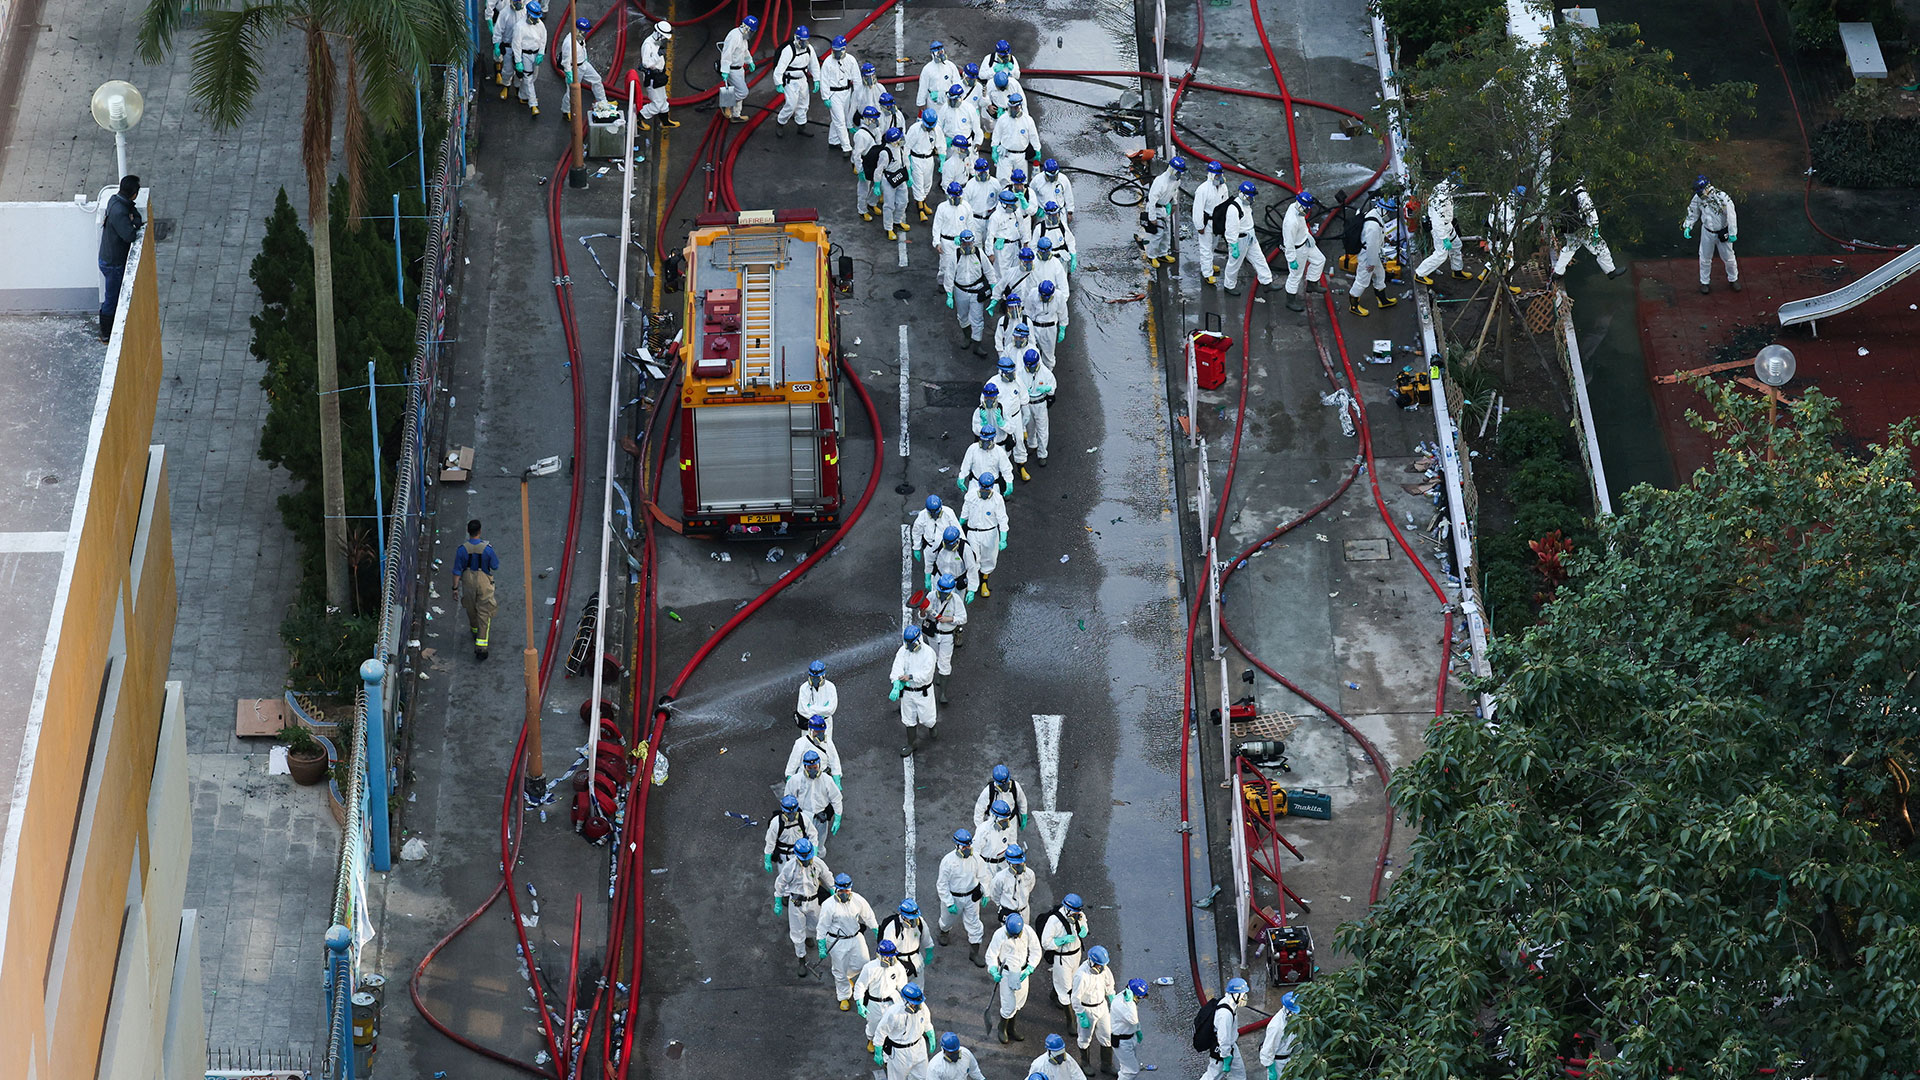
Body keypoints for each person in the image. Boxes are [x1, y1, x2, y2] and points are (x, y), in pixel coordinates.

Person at [774, 838, 834, 975]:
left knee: (819, 925)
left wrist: (833, 892)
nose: (806, 861)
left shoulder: (817, 863)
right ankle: (801, 959)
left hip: (813, 901)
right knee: (797, 932)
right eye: (804, 859)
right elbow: (780, 883)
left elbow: (828, 877)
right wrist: (778, 900)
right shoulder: (790, 867)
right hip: (796, 904)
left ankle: (812, 938)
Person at [818, 873, 879, 1009]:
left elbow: (868, 916)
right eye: (841, 890)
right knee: (839, 970)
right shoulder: (828, 905)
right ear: (836, 889)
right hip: (837, 941)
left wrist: (876, 930)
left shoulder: (858, 900)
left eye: (846, 890)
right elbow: (822, 926)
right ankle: (844, 996)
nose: (844, 893)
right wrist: (821, 944)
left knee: (864, 964)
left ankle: (849, 980)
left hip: (856, 937)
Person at [97, 175, 143, 342]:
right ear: (134, 194)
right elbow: (130, 235)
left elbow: (135, 216)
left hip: (108, 258)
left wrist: (134, 219)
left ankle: (106, 331)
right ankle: (106, 333)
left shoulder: (115, 201)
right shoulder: (120, 211)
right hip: (113, 263)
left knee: (113, 296)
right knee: (112, 298)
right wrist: (134, 221)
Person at [985, 912, 1043, 1043]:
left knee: (1019, 1001)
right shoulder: (1000, 934)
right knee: (1008, 1004)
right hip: (1006, 973)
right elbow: (991, 954)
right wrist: (994, 970)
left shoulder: (1028, 931)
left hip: (1022, 972)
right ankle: (1002, 1027)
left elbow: (1036, 950)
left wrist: (1030, 967)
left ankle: (1011, 1028)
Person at [937, 828, 991, 964]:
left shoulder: (976, 859)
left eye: (969, 845)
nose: (967, 849)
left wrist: (985, 892)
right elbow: (942, 884)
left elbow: (984, 876)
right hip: (954, 897)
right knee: (947, 920)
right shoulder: (948, 862)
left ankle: (974, 953)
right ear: (957, 846)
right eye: (964, 846)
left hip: (972, 897)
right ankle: (944, 931)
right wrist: (949, 903)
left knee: (974, 924)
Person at [1552, 181, 1622, 281]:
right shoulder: (1582, 194)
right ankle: (1611, 271)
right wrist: (1595, 230)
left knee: (1569, 248)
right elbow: (1591, 213)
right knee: (1601, 248)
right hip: (1583, 229)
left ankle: (1558, 272)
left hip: (1569, 228)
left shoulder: (1565, 192)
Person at [915, 574, 968, 702]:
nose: (943, 595)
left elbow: (963, 618)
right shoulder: (931, 596)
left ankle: (943, 693)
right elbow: (922, 616)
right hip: (933, 634)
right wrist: (922, 612)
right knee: (934, 657)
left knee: (944, 662)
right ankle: (937, 677)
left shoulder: (956, 600)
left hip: (947, 636)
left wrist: (949, 619)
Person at [1683, 174, 1739, 294]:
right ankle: (1705, 282)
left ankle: (1733, 279)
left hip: (1722, 231)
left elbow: (1731, 214)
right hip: (1707, 231)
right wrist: (1688, 225)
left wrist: (1732, 232)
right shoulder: (1698, 198)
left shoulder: (1721, 197)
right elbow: (1693, 211)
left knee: (1729, 258)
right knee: (1704, 257)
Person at [452, 519, 499, 659]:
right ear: (480, 531)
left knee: (471, 607)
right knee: (484, 611)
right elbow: (495, 566)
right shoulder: (488, 549)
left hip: (467, 581)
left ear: (468, 531)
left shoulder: (461, 550)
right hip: (484, 581)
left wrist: (454, 588)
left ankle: (474, 629)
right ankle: (481, 647)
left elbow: (456, 572)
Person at [1412, 168, 1469, 285]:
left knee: (1457, 245)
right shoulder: (1441, 199)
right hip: (1440, 229)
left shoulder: (1441, 188)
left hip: (1447, 225)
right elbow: (1437, 223)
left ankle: (1457, 270)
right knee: (1441, 255)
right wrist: (1444, 239)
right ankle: (1420, 274)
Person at [1347, 195, 1401, 317]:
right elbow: (1371, 245)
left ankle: (1382, 301)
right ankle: (1353, 306)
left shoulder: (1375, 214)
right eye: (1388, 212)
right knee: (1362, 280)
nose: (1389, 215)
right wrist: (1371, 263)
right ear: (1382, 209)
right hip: (1368, 256)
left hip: (1373, 255)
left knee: (1380, 275)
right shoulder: (1373, 226)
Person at [959, 470, 1010, 597]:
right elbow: (964, 514)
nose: (985, 492)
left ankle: (984, 582)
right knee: (972, 560)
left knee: (989, 560)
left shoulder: (997, 499)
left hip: (990, 533)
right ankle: (972, 585)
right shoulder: (970, 496)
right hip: (973, 533)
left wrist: (1003, 538)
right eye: (983, 489)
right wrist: (959, 528)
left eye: (988, 489)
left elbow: (1002, 519)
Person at [1038, 893, 1089, 1018]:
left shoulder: (1080, 915)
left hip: (1076, 954)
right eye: (1074, 912)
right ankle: (1071, 1019)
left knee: (1070, 980)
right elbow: (1045, 942)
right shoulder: (1054, 921)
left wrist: (1084, 930)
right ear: (1066, 908)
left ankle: (1055, 993)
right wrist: (1061, 940)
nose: (1077, 915)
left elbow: (1084, 925)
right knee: (1067, 989)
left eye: (1078, 911)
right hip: (1062, 957)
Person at [782, 751, 843, 855]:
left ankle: (818, 861)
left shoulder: (826, 780)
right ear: (805, 766)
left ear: (819, 765)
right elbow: (788, 799)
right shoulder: (795, 780)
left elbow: (836, 799)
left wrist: (838, 817)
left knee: (820, 840)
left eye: (815, 767)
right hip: (803, 816)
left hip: (821, 817)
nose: (813, 770)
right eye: (810, 768)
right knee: (802, 841)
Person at [890, 625, 939, 752]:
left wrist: (910, 677)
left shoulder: (928, 653)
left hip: (923, 692)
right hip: (907, 692)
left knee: (927, 718)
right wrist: (896, 683)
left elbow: (927, 675)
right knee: (908, 719)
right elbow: (897, 667)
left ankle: (932, 726)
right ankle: (912, 744)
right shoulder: (903, 651)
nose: (909, 648)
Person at [1220, 182, 1273, 298]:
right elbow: (1231, 229)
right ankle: (1229, 286)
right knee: (1234, 264)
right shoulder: (1234, 209)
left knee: (1259, 259)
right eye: (1250, 196)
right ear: (1243, 195)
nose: (1252, 198)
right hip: (1239, 240)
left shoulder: (1246, 205)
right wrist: (1233, 246)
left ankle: (1266, 282)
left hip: (1250, 237)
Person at [856, 941, 911, 1049]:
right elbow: (861, 985)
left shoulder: (898, 967)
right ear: (880, 955)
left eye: (892, 957)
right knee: (873, 1024)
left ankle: (890, 1042)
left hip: (892, 1001)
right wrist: (859, 1002)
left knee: (893, 1023)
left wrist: (908, 999)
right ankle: (871, 1039)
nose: (890, 960)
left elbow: (903, 985)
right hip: (874, 1003)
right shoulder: (870, 968)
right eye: (887, 957)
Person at [875, 983, 936, 1080]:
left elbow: (926, 1022)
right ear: (906, 1001)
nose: (919, 1006)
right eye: (915, 1004)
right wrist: (878, 1050)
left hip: (919, 1047)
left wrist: (930, 1034)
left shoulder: (922, 1006)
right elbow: (881, 1032)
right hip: (900, 1053)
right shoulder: (893, 1013)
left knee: (923, 1076)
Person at [770, 26, 822, 136]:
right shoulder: (788, 50)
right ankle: (780, 122)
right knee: (791, 104)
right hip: (790, 81)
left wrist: (817, 79)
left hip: (803, 80)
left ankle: (801, 125)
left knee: (803, 104)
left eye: (805, 40)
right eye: (801, 41)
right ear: (796, 38)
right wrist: (778, 83)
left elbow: (814, 65)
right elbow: (780, 68)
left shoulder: (809, 49)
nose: (803, 43)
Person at [951, 233, 998, 354]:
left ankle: (977, 344)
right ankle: (967, 337)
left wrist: (993, 285)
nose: (967, 246)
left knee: (977, 319)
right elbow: (949, 275)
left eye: (969, 243)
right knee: (962, 316)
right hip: (960, 291)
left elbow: (989, 270)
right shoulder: (955, 255)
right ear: (960, 243)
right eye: (965, 243)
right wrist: (949, 294)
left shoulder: (979, 253)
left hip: (977, 290)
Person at [1070, 946, 1117, 1066]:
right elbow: (1075, 998)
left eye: (1102, 965)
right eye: (1098, 965)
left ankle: (1106, 1065)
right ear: (1091, 961)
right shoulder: (1081, 976)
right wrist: (1081, 1015)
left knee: (1107, 1036)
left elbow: (1109, 986)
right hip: (1087, 1009)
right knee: (1084, 1038)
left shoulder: (1105, 969)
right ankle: (1085, 1063)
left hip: (1102, 1007)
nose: (1100, 968)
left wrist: (1113, 999)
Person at [1195, 978, 1250, 1080]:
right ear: (1234, 994)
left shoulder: (1231, 1004)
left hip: (1231, 1046)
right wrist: (1225, 1056)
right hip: (1222, 1049)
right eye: (1242, 994)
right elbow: (1223, 1038)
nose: (1245, 997)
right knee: (1212, 1076)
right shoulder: (1225, 1014)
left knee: (1239, 1075)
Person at [558, 18, 607, 123]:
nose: (585, 34)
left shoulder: (579, 38)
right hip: (575, 68)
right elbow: (565, 61)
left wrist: (585, 58)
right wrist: (569, 73)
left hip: (583, 64)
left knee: (597, 79)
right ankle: (566, 110)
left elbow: (583, 48)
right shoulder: (569, 43)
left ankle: (603, 102)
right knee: (571, 91)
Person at [1482, 184, 1527, 294]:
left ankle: (1483, 274)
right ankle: (1507, 286)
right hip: (1502, 235)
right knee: (1508, 259)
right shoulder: (1509, 208)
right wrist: (1522, 227)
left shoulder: (1501, 200)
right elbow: (1508, 227)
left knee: (1495, 255)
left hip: (1491, 232)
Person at [1141, 155, 1185, 267]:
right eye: (1178, 172)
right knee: (1157, 234)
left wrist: (1174, 203)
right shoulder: (1160, 182)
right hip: (1156, 208)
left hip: (1165, 208)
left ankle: (1162, 253)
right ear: (1172, 169)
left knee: (1166, 233)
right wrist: (1152, 217)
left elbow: (1174, 192)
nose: (1179, 174)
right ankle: (1151, 256)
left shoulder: (1176, 181)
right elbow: (1152, 201)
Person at [508, 1, 549, 116]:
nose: (536, 20)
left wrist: (541, 53)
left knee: (534, 76)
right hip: (525, 55)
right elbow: (516, 45)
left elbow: (543, 38)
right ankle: (533, 104)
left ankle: (522, 95)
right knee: (528, 78)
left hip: (536, 54)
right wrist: (518, 61)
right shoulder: (519, 27)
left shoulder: (540, 24)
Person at [821, 36, 861, 152]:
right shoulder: (828, 62)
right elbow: (824, 80)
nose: (837, 53)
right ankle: (846, 147)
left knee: (840, 118)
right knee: (840, 121)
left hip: (847, 93)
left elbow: (857, 79)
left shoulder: (851, 60)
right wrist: (825, 97)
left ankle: (833, 140)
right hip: (834, 94)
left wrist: (857, 96)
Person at [877, 898, 933, 979]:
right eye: (910, 918)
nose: (913, 921)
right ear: (903, 916)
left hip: (916, 960)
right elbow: (886, 949)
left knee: (918, 986)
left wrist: (929, 951)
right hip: (898, 962)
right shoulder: (892, 928)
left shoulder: (920, 922)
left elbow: (926, 936)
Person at [637, 21, 679, 129]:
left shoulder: (656, 42)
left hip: (658, 76)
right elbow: (646, 63)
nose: (664, 39)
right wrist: (657, 55)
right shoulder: (648, 44)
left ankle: (665, 122)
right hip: (652, 78)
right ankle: (638, 118)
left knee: (663, 99)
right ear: (658, 33)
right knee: (656, 105)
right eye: (663, 36)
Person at [988, 843, 1037, 931]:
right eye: (1017, 864)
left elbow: (1030, 887)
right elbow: (995, 894)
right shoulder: (1000, 878)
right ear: (1009, 863)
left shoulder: (1029, 874)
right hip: (1008, 913)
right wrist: (1003, 905)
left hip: (1024, 912)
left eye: (1021, 863)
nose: (1020, 866)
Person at [993, 94, 1041, 183]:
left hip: (1021, 156)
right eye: (1011, 108)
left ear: (1020, 106)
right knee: (1003, 181)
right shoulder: (1003, 119)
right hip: (1005, 154)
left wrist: (1037, 150)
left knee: (1021, 181)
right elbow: (996, 135)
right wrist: (994, 148)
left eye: (1015, 108)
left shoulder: (1028, 120)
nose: (1013, 110)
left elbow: (1034, 137)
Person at [933, 184, 972, 290]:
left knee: (962, 264)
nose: (956, 199)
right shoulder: (942, 208)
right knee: (945, 265)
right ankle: (942, 283)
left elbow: (970, 225)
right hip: (947, 241)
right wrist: (937, 242)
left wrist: (969, 241)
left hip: (962, 241)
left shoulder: (966, 207)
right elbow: (937, 226)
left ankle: (959, 283)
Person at [719, 14, 757, 122]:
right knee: (743, 92)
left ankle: (736, 115)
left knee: (738, 91)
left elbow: (744, 50)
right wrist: (725, 70)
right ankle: (725, 103)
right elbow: (726, 54)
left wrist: (749, 61)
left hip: (740, 69)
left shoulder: (743, 37)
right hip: (732, 70)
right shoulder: (734, 36)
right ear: (747, 29)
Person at [986, 195, 1033, 281]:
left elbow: (1022, 227)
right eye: (1010, 205)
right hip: (1002, 248)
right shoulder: (996, 216)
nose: (1013, 206)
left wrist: (1025, 242)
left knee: (1015, 271)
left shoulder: (1016, 212)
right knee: (1001, 274)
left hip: (1015, 246)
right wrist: (990, 253)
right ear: (1003, 204)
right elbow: (990, 235)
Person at [763, 794, 815, 871]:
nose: (791, 816)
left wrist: (814, 852)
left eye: (793, 813)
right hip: (784, 857)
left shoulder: (803, 819)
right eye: (788, 813)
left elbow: (813, 835)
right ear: (783, 811)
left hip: (801, 855)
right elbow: (770, 842)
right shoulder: (776, 823)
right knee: (784, 878)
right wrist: (767, 859)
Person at [932, 525, 984, 603]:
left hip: (957, 584)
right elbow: (931, 559)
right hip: (940, 581)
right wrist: (928, 575)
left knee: (956, 606)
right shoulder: (939, 543)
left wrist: (972, 589)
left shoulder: (965, 549)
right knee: (936, 603)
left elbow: (971, 568)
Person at [1021, 350, 1055, 467]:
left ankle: (1042, 454)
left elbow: (1052, 387)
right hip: (1027, 403)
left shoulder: (1045, 373)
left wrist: (1048, 389)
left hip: (1040, 403)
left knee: (1042, 429)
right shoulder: (1021, 373)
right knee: (1029, 427)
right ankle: (1032, 445)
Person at [1111, 978, 1150, 1080]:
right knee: (1131, 1071)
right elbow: (1133, 1020)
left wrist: (1137, 1031)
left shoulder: (1127, 999)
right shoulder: (1122, 1003)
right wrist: (1129, 1003)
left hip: (1130, 1037)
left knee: (1126, 1067)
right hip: (1122, 1041)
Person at [879, 127, 914, 240]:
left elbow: (905, 161)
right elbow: (879, 169)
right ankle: (889, 227)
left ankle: (897, 221)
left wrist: (909, 174)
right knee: (889, 205)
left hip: (900, 176)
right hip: (889, 179)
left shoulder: (900, 148)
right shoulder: (885, 153)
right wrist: (876, 184)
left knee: (903, 201)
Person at [1256, 991, 1299, 1080]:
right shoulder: (1277, 1026)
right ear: (1289, 1012)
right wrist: (1271, 1070)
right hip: (1278, 1064)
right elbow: (1268, 1050)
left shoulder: (1291, 1021)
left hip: (1288, 1059)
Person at [1190, 162, 1230, 258]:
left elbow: (1226, 204)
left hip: (1218, 222)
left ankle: (1209, 266)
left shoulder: (1223, 187)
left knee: (1213, 246)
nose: (1219, 177)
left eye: (1220, 175)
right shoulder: (1202, 190)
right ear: (1211, 175)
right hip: (1206, 222)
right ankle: (1207, 272)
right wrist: (1199, 226)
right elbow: (1197, 209)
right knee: (1205, 249)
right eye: (1217, 175)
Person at [786, 714, 843, 780]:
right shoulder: (801, 742)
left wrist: (836, 776)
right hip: (804, 776)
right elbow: (793, 761)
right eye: (818, 731)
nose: (821, 734)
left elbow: (834, 759)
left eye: (822, 731)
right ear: (811, 730)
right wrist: (789, 775)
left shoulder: (828, 742)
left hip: (822, 775)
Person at [914, 494, 963, 569]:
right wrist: (916, 548)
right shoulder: (922, 516)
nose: (934, 515)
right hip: (930, 546)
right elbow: (917, 532)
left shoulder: (948, 513)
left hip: (945, 546)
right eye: (932, 513)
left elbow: (957, 529)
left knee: (946, 566)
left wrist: (963, 545)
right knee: (929, 566)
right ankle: (929, 579)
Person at [854, 108, 886, 222]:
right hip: (865, 162)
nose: (876, 121)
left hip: (875, 159)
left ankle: (872, 202)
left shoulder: (876, 130)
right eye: (874, 119)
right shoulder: (861, 135)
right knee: (864, 188)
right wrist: (860, 170)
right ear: (867, 120)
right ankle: (862, 210)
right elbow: (856, 155)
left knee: (880, 183)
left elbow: (878, 144)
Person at [1029, 278, 1065, 368]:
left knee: (1048, 356)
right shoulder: (1033, 294)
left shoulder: (1059, 296)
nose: (1045, 298)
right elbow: (1027, 311)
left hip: (1049, 328)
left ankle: (1048, 376)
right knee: (1031, 353)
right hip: (1034, 326)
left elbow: (1063, 312)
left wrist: (1062, 327)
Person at [975, 797, 1020, 866]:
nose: (1006, 824)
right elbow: (976, 852)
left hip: (1004, 863)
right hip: (987, 865)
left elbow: (1012, 842)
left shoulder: (1009, 826)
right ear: (994, 818)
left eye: (1007, 820)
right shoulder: (983, 830)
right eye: (1003, 821)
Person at [795, 659, 837, 731]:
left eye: (817, 678)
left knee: (826, 741)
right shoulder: (804, 688)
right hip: (810, 725)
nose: (815, 680)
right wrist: (822, 711)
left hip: (826, 724)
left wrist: (811, 708)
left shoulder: (831, 687)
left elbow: (831, 710)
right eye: (812, 678)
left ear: (823, 676)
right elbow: (802, 710)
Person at [490, 0, 524, 87]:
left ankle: (517, 88)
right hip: (508, 46)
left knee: (520, 71)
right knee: (507, 70)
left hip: (521, 46)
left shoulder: (525, 12)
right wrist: (497, 44)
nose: (518, 3)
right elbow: (498, 30)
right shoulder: (504, 13)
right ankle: (506, 85)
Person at [919, 41, 962, 110]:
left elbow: (957, 82)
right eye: (937, 51)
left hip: (948, 101)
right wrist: (921, 103)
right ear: (932, 53)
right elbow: (923, 87)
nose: (940, 53)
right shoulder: (927, 69)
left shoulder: (950, 66)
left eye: (941, 50)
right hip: (934, 103)